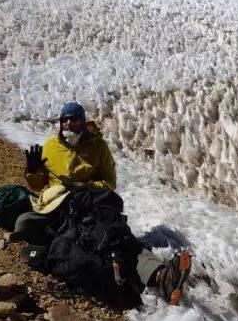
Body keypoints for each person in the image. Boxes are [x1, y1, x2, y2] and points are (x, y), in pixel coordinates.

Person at [13, 101, 191, 305]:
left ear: (82, 122)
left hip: (89, 205)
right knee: (23, 224)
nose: (68, 123)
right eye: (64, 120)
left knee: (115, 237)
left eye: (74, 119)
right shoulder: (50, 147)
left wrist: (85, 186)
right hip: (54, 207)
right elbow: (37, 186)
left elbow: (109, 182)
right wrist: (32, 172)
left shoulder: (98, 147)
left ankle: (161, 276)